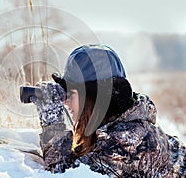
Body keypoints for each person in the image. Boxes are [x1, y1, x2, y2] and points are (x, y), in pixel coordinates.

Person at [31, 44, 186, 177]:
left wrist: (52, 122)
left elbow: (64, 174)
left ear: (94, 98)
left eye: (70, 93)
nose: (65, 101)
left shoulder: (126, 143)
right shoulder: (125, 125)